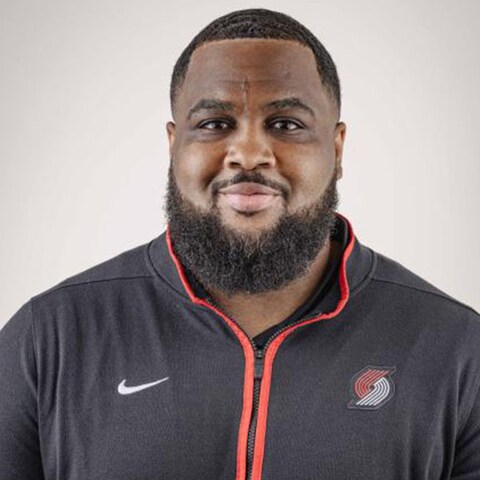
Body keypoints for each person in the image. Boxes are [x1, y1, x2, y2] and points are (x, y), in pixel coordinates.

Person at [0, 8, 479, 480]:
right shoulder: (49, 339)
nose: (249, 154)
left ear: (336, 150)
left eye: (286, 124)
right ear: (173, 145)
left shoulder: (456, 349)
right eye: (214, 124)